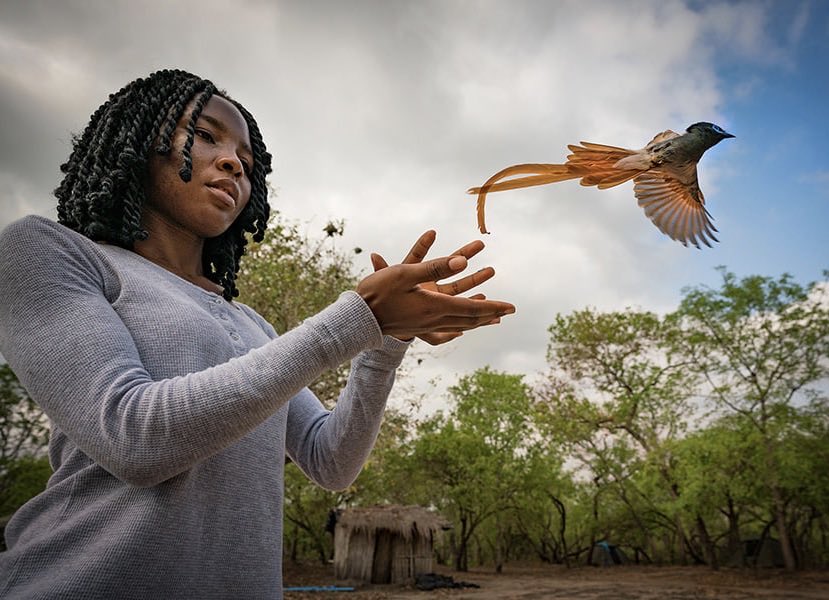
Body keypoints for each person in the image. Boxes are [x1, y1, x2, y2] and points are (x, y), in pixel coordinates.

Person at [0, 69, 514, 599]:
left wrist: (383, 345)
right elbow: (134, 439)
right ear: (137, 142)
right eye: (203, 136)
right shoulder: (51, 253)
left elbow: (330, 459)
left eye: (247, 165)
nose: (231, 164)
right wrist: (359, 316)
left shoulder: (253, 326)